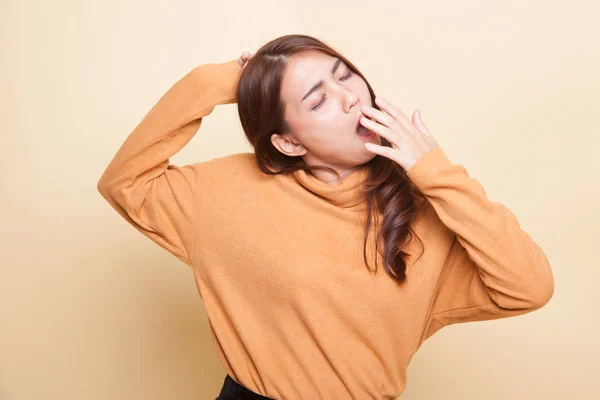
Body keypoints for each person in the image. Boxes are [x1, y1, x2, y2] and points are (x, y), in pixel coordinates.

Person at [96, 34, 555, 399]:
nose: (351, 98)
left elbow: (529, 288)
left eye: (345, 76)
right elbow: (125, 182)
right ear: (289, 143)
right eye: (317, 100)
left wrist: (434, 171)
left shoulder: (423, 210)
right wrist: (220, 82)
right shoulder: (224, 192)